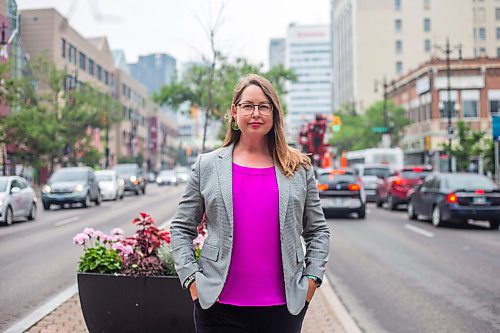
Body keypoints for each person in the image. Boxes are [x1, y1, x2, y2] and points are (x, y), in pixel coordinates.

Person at [170, 74, 330, 333]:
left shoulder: (299, 168)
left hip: (283, 309)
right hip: (217, 306)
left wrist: (311, 281)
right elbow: (181, 228)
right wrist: (191, 280)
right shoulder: (208, 166)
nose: (255, 113)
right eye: (247, 106)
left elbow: (318, 231)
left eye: (263, 106)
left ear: (274, 113)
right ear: (234, 112)